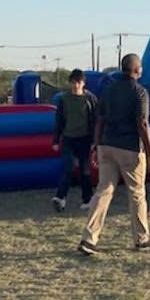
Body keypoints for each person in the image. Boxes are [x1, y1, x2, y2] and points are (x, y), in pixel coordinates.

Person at [79, 52, 150, 255]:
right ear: (137, 70)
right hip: (130, 148)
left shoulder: (108, 90)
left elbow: (100, 119)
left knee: (103, 191)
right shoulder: (140, 92)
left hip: (107, 145)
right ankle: (141, 238)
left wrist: (96, 145)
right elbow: (143, 123)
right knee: (137, 193)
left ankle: (89, 238)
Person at [50, 68, 99, 212]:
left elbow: (96, 120)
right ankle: (60, 198)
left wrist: (95, 141)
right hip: (68, 139)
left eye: (78, 82)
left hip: (85, 139)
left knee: (85, 170)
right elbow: (59, 121)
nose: (75, 85)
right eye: (73, 82)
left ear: (83, 83)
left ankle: (87, 199)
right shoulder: (64, 99)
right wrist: (55, 140)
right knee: (68, 167)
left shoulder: (90, 99)